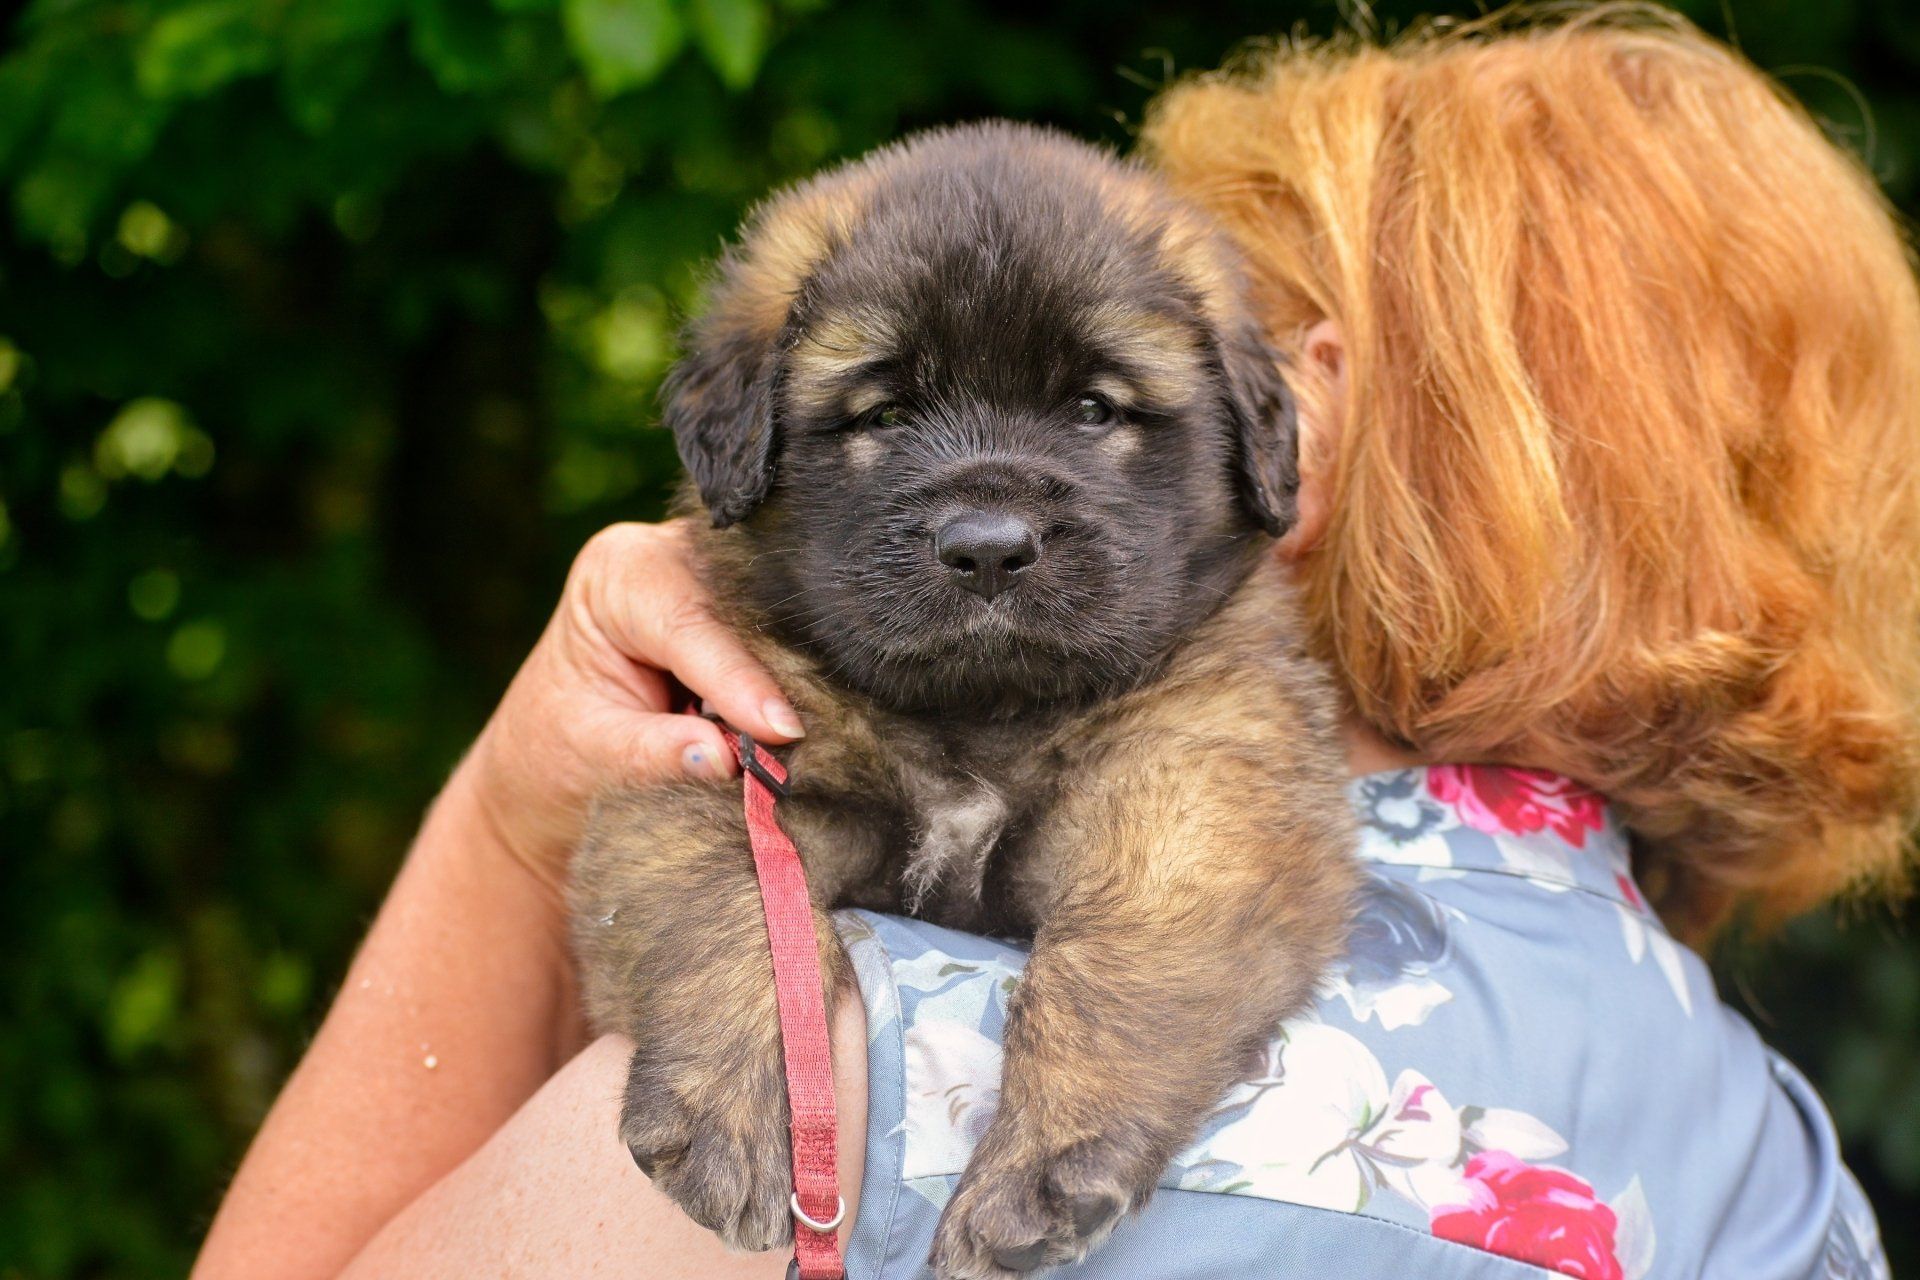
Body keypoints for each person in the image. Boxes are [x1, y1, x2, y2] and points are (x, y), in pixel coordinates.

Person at [192, 8, 1919, 1278]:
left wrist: (512, 819)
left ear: (1292, 426)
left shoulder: (862, 1078)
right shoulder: (1779, 1174)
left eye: (1099, 398)